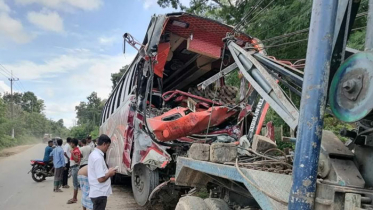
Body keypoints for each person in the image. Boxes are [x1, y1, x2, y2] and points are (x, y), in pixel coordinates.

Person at [88, 134, 116, 210]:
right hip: (99, 193)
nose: (108, 148)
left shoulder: (94, 154)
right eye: (108, 146)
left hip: (97, 192)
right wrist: (109, 173)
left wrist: (107, 171)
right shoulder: (98, 158)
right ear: (104, 144)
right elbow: (101, 179)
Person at [67, 138, 81, 204]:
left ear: (74, 144)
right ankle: (74, 197)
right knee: (75, 183)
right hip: (74, 167)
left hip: (75, 168)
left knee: (75, 184)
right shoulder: (76, 150)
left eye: (71, 143)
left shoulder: (75, 151)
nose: (70, 144)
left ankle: (74, 198)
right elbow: (80, 156)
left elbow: (76, 160)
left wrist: (72, 153)